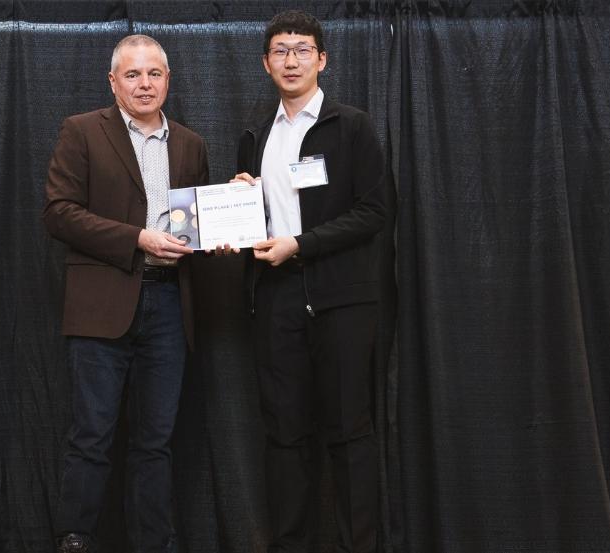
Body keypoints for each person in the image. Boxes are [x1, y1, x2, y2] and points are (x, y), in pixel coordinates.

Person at [43, 34, 209, 553]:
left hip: (168, 307)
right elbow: (59, 213)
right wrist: (136, 239)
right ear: (112, 82)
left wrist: (233, 217)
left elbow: (196, 227)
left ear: (168, 81)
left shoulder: (190, 143)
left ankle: (155, 543)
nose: (144, 84)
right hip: (103, 306)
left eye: (154, 74)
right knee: (91, 438)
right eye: (132, 75)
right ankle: (76, 540)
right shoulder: (81, 132)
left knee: (155, 444)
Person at [233, 10, 386, 553]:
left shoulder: (353, 126)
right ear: (265, 63)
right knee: (285, 435)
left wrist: (303, 243)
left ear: (322, 59)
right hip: (275, 298)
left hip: (342, 299)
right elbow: (257, 218)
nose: (291, 59)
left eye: (302, 49)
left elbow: (375, 212)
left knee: (348, 432)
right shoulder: (257, 134)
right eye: (280, 50)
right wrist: (240, 206)